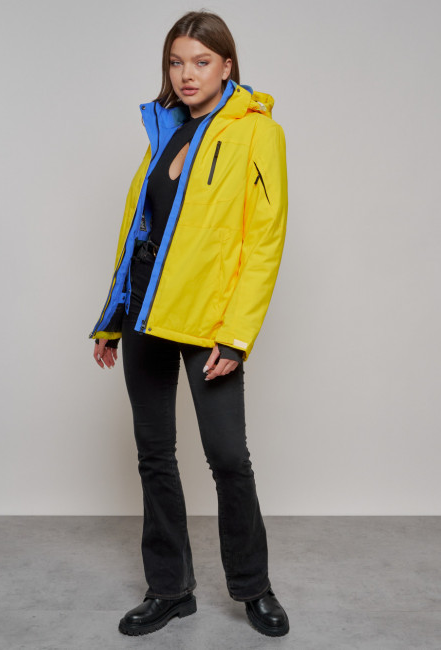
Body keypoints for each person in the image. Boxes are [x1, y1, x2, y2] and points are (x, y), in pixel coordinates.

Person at [89, 10, 289, 638]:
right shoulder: (165, 130)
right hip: (145, 316)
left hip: (209, 323)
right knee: (154, 456)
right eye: (176, 62)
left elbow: (264, 241)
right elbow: (138, 231)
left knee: (228, 457)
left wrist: (237, 334)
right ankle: (170, 589)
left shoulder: (259, 133)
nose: (187, 74)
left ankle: (253, 588)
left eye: (201, 61)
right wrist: (112, 315)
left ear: (227, 65)